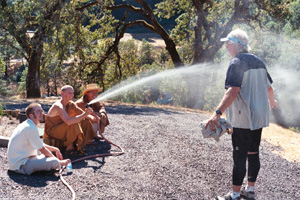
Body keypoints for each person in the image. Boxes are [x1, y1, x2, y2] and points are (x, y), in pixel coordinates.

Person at [205, 29, 278, 200]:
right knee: (253, 154)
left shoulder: (236, 63)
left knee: (239, 156)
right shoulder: (259, 62)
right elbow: (269, 87)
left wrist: (217, 113)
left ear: (234, 45)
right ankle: (249, 190)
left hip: (242, 118)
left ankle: (235, 195)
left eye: (227, 43)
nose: (225, 47)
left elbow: (232, 91)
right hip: (258, 118)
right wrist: (272, 102)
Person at [7, 103, 70, 175]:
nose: (42, 113)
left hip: (19, 162)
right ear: (31, 115)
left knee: (48, 154)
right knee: (54, 161)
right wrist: (59, 162)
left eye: (42, 111)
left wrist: (55, 149)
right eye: (38, 111)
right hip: (21, 166)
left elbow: (39, 144)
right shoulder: (30, 128)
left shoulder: (28, 125)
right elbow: (42, 149)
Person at [43, 85, 97, 155]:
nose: (72, 95)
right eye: (69, 93)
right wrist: (85, 114)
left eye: (72, 93)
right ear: (63, 93)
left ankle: (86, 140)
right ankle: (70, 147)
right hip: (53, 131)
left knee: (84, 121)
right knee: (74, 122)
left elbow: (81, 112)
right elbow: (68, 122)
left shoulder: (70, 104)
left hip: (63, 127)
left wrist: (91, 117)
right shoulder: (58, 106)